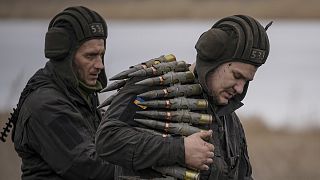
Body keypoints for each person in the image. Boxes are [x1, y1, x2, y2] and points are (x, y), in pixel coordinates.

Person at [96, 15, 270, 179]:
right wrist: (180, 150)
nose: (240, 89)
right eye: (236, 76)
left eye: (246, 81)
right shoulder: (150, 86)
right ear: (213, 59)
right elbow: (107, 139)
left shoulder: (230, 122)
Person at [10, 6, 115, 179]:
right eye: (90, 56)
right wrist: (152, 163)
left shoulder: (79, 93)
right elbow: (92, 168)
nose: (100, 65)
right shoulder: (45, 105)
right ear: (65, 57)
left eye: (101, 55)